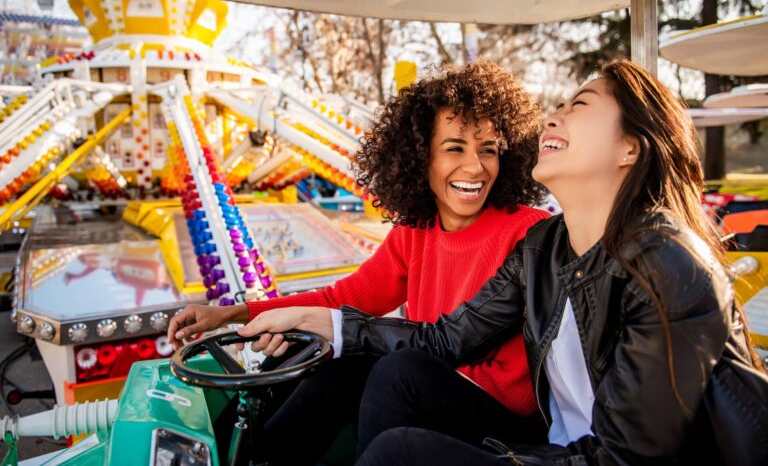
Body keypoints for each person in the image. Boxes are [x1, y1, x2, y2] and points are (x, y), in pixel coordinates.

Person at [243, 60, 768, 465]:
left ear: (629, 149)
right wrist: (325, 324)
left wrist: (511, 458)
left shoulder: (668, 265)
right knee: (394, 375)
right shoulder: (545, 248)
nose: (554, 116)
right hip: (558, 449)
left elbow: (626, 456)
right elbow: (445, 340)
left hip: (585, 457)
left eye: (579, 105)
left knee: (399, 452)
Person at [168, 61, 549, 464]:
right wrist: (232, 314)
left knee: (390, 367)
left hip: (501, 424)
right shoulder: (415, 232)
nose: (475, 167)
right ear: (421, 157)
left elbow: (449, 342)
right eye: (455, 148)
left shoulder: (531, 233)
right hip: (428, 388)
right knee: (328, 357)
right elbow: (342, 300)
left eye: (488, 150)